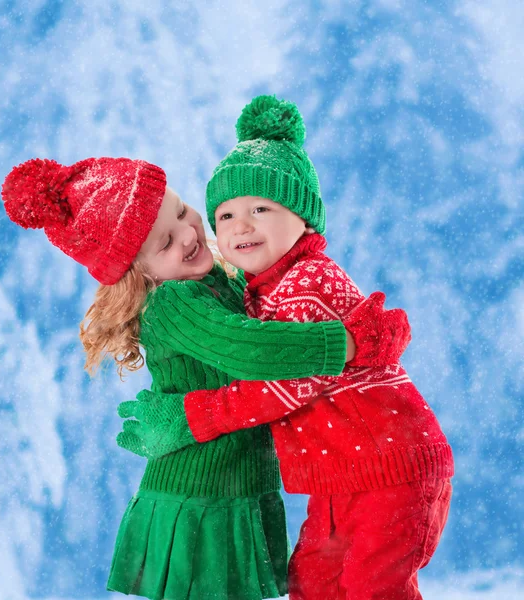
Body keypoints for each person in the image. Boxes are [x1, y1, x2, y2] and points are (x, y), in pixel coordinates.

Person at [1, 155, 408, 600]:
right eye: (165, 244)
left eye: (180, 212)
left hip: (229, 490)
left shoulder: (217, 282)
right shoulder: (175, 301)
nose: (189, 234)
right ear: (138, 274)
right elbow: (253, 350)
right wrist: (347, 343)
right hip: (201, 501)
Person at [117, 95, 454, 600]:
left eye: (261, 208)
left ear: (303, 218)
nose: (239, 226)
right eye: (225, 215)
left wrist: (195, 415)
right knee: (313, 582)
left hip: (392, 469)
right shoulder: (259, 288)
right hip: (342, 474)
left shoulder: (308, 280)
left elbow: (285, 380)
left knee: (372, 587)